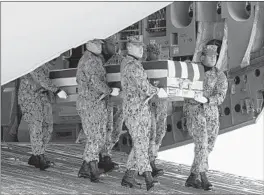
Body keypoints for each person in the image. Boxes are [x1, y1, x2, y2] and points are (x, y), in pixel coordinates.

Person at [120, 35, 167, 191]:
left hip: (139, 109)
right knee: (141, 143)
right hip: (136, 111)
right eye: (137, 46)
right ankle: (148, 177)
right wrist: (157, 91)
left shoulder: (133, 64)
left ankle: (129, 176)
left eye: (142, 46)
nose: (141, 49)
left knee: (141, 143)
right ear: (129, 48)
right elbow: (144, 86)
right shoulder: (132, 66)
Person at [183, 44, 228, 190]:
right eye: (210, 56)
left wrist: (209, 100)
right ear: (202, 57)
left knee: (208, 145)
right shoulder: (193, 70)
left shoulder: (219, 75)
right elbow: (183, 87)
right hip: (195, 112)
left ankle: (192, 176)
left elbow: (221, 95)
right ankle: (203, 176)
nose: (213, 58)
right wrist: (195, 99)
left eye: (215, 56)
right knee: (201, 144)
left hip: (211, 114)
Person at [76, 39, 119, 182]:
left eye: (101, 44)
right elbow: (95, 81)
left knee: (98, 135)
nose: (100, 46)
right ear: (88, 44)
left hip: (96, 102)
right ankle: (93, 169)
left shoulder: (95, 59)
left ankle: (85, 168)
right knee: (95, 136)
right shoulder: (90, 61)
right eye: (97, 44)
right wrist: (110, 90)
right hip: (91, 103)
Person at [18, 58, 68, 170]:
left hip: (42, 97)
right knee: (36, 127)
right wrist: (57, 91)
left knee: (48, 126)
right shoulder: (34, 61)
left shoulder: (45, 63)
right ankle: (38, 156)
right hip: (30, 98)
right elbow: (41, 78)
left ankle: (38, 154)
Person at [146, 43, 168, 178]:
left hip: (161, 107)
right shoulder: (143, 68)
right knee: (151, 135)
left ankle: (152, 159)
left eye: (157, 52)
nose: (156, 55)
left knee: (159, 134)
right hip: (150, 107)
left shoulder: (163, 68)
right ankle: (150, 163)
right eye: (153, 52)